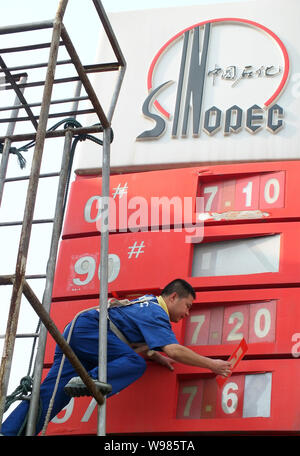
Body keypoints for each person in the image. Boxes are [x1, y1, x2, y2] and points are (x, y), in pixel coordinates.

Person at [1, 278, 231, 436]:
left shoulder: (147, 303)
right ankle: (88, 380)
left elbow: (128, 329)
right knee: (134, 363)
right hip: (92, 331)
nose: (187, 313)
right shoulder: (156, 312)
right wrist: (212, 364)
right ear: (173, 297)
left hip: (79, 331)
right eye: (187, 306)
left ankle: (8, 432)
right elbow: (174, 350)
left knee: (54, 396)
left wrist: (153, 352)